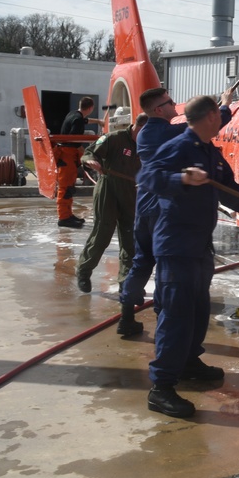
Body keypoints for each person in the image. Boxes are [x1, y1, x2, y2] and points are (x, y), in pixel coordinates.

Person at [138, 94, 239, 418]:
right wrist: (182, 179)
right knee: (176, 316)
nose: (223, 117)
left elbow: (230, 191)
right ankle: (161, 388)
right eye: (218, 115)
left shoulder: (210, 153)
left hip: (200, 247)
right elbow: (147, 178)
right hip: (176, 247)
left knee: (198, 311)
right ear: (208, 119)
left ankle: (189, 362)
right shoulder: (179, 147)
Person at [117, 87, 232, 315]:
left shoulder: (145, 133)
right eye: (170, 102)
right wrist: (225, 105)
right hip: (159, 208)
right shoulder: (165, 133)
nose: (174, 104)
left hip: (143, 207)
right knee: (165, 264)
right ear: (159, 109)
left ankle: (127, 310)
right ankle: (163, 311)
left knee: (142, 260)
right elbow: (201, 128)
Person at [75, 114, 148, 330]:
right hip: (108, 188)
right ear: (137, 127)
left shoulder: (147, 144)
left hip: (131, 194)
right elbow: (88, 153)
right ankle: (84, 270)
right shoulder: (114, 138)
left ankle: (127, 286)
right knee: (102, 235)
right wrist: (90, 161)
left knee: (131, 242)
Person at [54, 96, 97, 228]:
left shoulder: (73, 114)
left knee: (69, 188)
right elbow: (74, 140)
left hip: (66, 154)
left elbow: (82, 120)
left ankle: (68, 214)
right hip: (67, 155)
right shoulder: (78, 120)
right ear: (90, 108)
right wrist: (85, 154)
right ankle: (63, 218)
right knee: (65, 188)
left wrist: (99, 122)